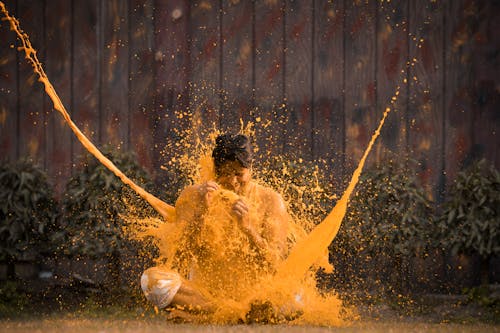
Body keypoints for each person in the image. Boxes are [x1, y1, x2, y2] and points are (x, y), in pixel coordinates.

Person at [141, 133, 293, 315]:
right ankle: (231, 313)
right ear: (214, 169)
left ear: (250, 169)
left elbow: (275, 266)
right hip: (204, 296)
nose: (231, 181)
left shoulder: (271, 201)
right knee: (151, 281)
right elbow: (179, 257)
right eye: (224, 173)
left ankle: (222, 314)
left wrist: (249, 229)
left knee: (295, 298)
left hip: (256, 297)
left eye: (238, 174)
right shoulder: (193, 196)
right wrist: (201, 215)